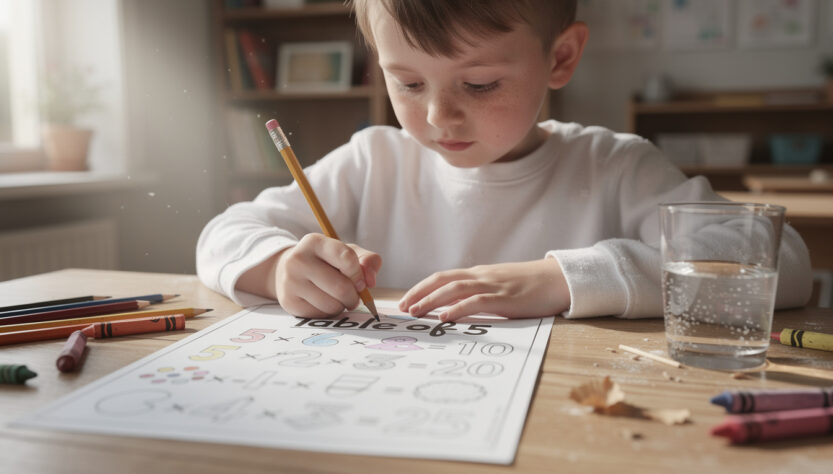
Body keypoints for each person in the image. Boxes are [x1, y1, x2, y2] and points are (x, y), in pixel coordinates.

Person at [197, 0, 812, 321]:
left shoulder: (615, 168)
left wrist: (566, 280)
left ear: (560, 58)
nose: (439, 116)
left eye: (481, 84)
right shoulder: (373, 161)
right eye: (407, 84)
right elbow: (222, 235)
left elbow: (781, 261)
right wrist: (278, 268)